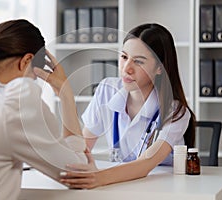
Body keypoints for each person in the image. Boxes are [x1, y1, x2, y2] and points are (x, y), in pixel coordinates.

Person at [0, 19, 88, 199]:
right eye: (34, 76)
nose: (33, 81)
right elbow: (79, 172)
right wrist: (65, 93)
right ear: (27, 60)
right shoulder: (14, 101)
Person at [59, 23, 196, 188]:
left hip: (160, 188)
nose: (127, 68)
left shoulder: (175, 111)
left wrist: (98, 178)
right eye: (124, 57)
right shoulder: (106, 89)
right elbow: (81, 148)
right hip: (118, 184)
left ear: (159, 68)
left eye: (138, 61)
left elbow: (145, 164)